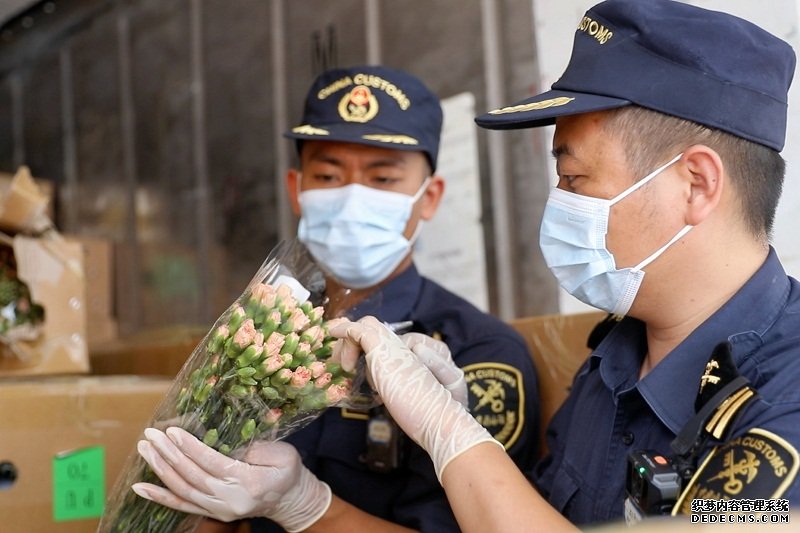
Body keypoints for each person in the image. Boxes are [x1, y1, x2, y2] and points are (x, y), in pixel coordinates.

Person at [131, 0, 800, 530]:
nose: (558, 207)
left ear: (697, 185)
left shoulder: (787, 391)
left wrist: (450, 431)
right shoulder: (610, 367)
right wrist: (305, 503)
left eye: (575, 181)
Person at [133, 65, 540, 533]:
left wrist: (305, 506)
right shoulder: (256, 330)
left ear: (429, 199)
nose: (351, 199)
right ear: (296, 190)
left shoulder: (474, 355)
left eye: (383, 179)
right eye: (328, 175)